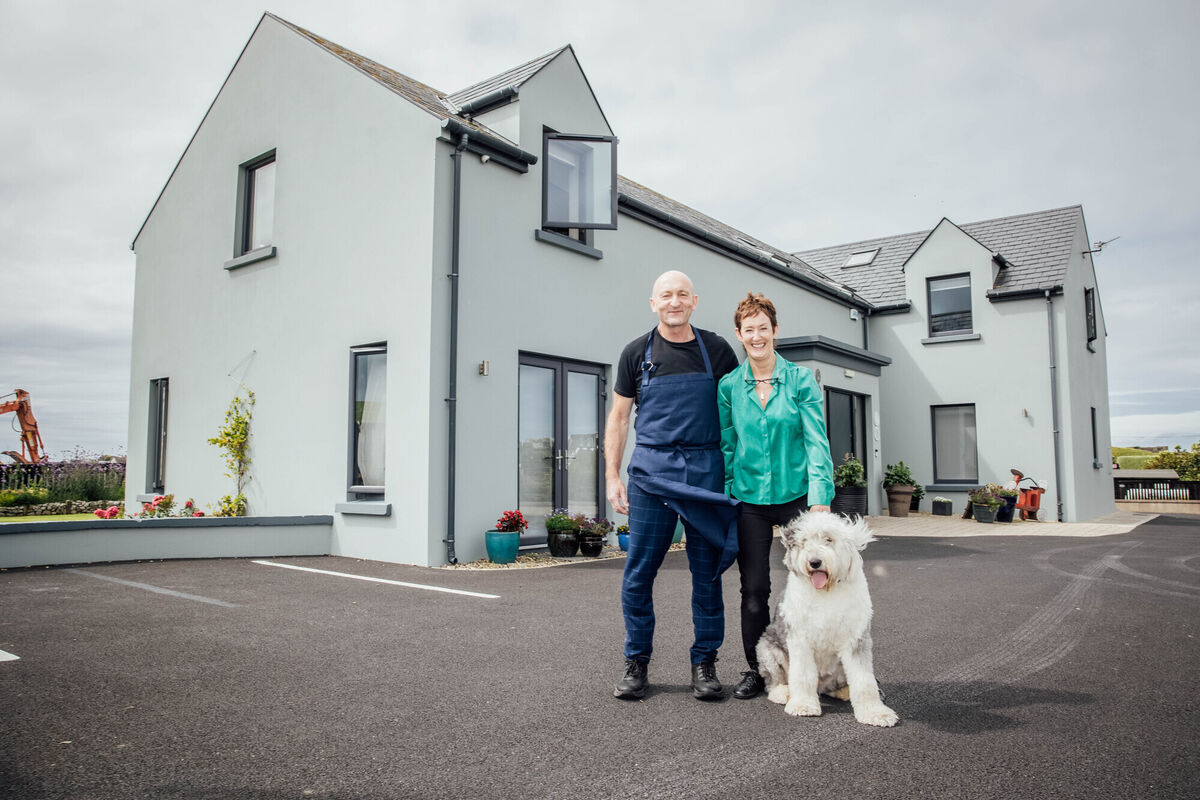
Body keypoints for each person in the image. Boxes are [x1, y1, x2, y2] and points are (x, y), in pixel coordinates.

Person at [606, 270, 741, 701]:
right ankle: (637, 663)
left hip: (705, 474)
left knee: (707, 576)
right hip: (650, 474)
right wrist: (612, 475)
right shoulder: (635, 354)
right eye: (666, 295)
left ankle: (705, 663)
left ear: (695, 301)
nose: (674, 301)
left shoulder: (717, 350)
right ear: (653, 303)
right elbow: (620, 418)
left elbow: (739, 414)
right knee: (638, 574)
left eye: (682, 294)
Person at [717, 292, 835, 700]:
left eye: (762, 328)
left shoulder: (801, 380)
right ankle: (760, 669)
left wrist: (820, 495)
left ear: (775, 331)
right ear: (739, 334)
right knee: (754, 589)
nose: (756, 336)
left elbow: (816, 441)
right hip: (749, 501)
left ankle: (827, 670)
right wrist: (728, 496)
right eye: (748, 330)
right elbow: (728, 447)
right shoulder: (729, 386)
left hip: (796, 497)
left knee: (814, 583)